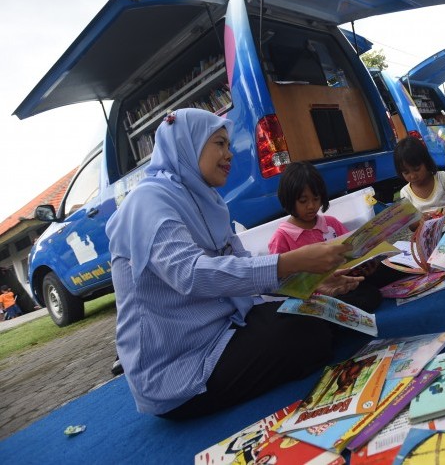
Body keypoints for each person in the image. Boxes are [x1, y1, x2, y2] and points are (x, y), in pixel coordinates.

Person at [106, 108, 362, 419]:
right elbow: (190, 274)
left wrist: (310, 279)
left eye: (229, 145)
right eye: (219, 143)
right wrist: (290, 261)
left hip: (225, 327)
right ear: (188, 144)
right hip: (182, 364)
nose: (229, 155)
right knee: (306, 331)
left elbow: (240, 263)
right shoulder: (148, 201)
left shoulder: (208, 201)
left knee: (321, 308)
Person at [268, 161, 393, 311]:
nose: (311, 206)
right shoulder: (282, 237)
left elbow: (352, 252)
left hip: (348, 280)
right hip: (318, 296)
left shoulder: (331, 223)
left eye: (316, 199)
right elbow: (278, 283)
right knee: (369, 297)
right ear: (288, 200)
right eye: (303, 201)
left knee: (389, 269)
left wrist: (367, 263)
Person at [394, 136, 445, 222]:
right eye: (406, 172)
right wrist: (420, 221)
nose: (412, 176)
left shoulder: (442, 178)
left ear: (426, 162)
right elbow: (411, 226)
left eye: (417, 169)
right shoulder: (405, 193)